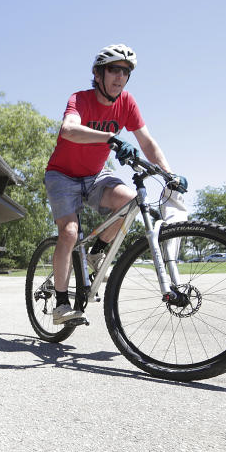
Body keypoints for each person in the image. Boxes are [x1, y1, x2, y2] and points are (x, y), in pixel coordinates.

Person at [44, 43, 187, 324]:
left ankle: (97, 253)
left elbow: (147, 142)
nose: (119, 76)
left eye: (125, 71)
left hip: (95, 174)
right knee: (70, 233)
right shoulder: (80, 99)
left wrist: (169, 175)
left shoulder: (127, 103)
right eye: (113, 69)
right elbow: (69, 130)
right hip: (61, 174)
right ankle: (61, 304)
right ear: (98, 74)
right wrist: (109, 138)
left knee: (131, 200)